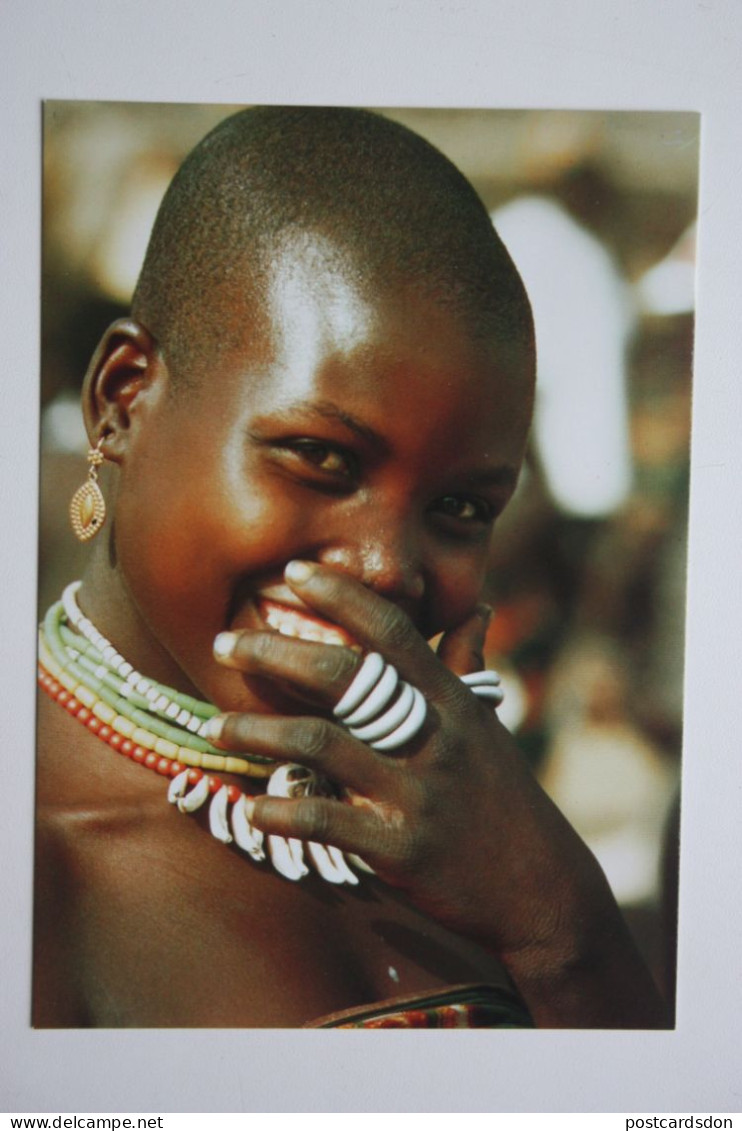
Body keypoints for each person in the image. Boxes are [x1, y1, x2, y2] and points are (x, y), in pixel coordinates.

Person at [34, 106, 666, 1029]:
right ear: (122, 403)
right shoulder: (41, 865)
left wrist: (559, 924)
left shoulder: (476, 834)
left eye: (461, 508)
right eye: (320, 459)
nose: (385, 567)